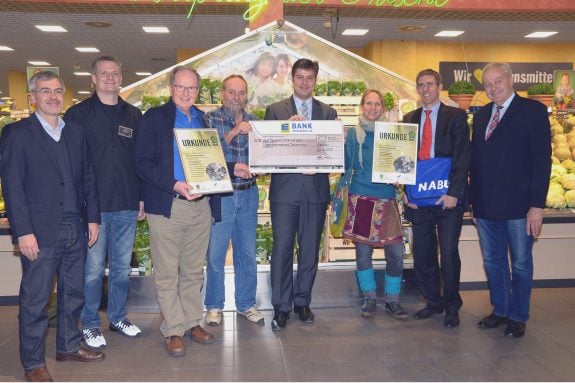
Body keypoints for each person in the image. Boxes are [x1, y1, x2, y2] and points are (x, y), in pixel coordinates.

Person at [0, 71, 105, 382]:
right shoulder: (18, 133)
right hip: (40, 231)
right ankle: (33, 363)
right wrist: (23, 232)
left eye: (58, 91)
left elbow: (88, 177)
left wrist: (93, 218)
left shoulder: (75, 131)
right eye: (46, 91)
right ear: (33, 96)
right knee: (35, 299)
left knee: (73, 293)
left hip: (76, 225)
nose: (53, 96)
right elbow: (13, 186)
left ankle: (68, 346)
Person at [64, 55, 144, 350]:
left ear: (121, 78)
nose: (110, 78)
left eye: (115, 73)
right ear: (93, 79)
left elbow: (139, 162)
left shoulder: (134, 115)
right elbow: (71, 165)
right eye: (104, 73)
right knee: (94, 270)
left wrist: (141, 197)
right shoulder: (77, 115)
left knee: (122, 268)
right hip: (93, 209)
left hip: (125, 202)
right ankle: (90, 323)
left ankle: (118, 316)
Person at [135, 66, 215, 357]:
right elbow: (142, 163)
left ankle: (193, 322)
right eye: (181, 87)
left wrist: (228, 171)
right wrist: (175, 184)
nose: (186, 93)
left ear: (198, 91)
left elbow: (210, 161)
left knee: (193, 271)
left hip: (200, 207)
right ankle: (173, 329)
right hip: (168, 205)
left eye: (192, 89)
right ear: (171, 87)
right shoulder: (155, 118)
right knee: (167, 273)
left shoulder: (203, 120)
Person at [470, 62, 551, 338]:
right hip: (485, 205)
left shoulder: (533, 111)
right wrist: (472, 201)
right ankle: (501, 309)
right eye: (487, 84)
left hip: (519, 206)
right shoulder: (481, 116)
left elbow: (542, 161)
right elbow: (476, 161)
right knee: (493, 261)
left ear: (510, 80)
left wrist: (537, 205)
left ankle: (518, 315)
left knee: (520, 263)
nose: (493, 88)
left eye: (497, 81)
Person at [264, 58, 337, 331]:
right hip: (284, 192)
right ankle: (281, 306)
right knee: (282, 248)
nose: (305, 82)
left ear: (315, 80)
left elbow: (330, 155)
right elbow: (268, 152)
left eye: (309, 78)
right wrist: (287, 132)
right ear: (292, 79)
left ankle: (302, 302)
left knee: (309, 250)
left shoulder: (328, 114)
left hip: (315, 191)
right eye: (300, 77)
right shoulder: (275, 111)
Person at [403, 68, 471, 328]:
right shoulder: (408, 119)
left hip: (447, 198)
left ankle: (452, 305)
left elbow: (463, 156)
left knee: (449, 252)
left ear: (439, 86)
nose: (425, 89)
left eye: (430, 84)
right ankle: (433, 301)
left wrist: (455, 192)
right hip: (419, 199)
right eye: (421, 85)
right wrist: (406, 192)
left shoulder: (455, 116)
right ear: (417, 89)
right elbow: (403, 161)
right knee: (422, 254)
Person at [203, 75, 264, 326]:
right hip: (222, 195)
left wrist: (261, 166)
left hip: (249, 193)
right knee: (216, 253)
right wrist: (236, 131)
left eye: (241, 92)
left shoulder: (257, 122)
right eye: (231, 92)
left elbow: (265, 155)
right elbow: (209, 154)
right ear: (222, 93)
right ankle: (214, 306)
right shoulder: (210, 119)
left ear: (246, 95)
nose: (236, 97)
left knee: (247, 252)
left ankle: (246, 304)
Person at [342, 90, 408, 319]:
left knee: (396, 253)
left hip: (387, 197)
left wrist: (402, 178)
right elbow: (346, 164)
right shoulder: (353, 134)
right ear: (362, 106)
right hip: (361, 197)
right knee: (363, 253)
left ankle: (393, 300)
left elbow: (403, 163)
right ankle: (369, 298)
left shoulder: (393, 133)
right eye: (368, 103)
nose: (372, 107)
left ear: (383, 107)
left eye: (376, 104)